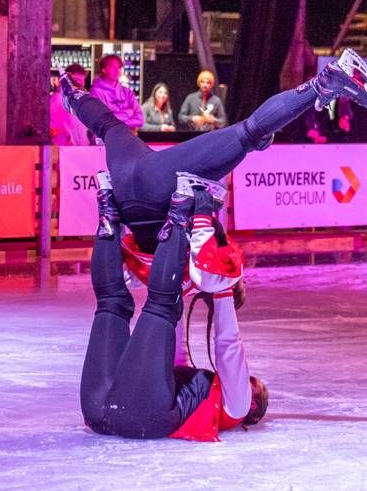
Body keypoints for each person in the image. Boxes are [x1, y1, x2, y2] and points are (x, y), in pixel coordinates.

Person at [61, 47, 367, 252]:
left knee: (249, 133)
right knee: (108, 125)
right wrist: (70, 90)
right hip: (129, 171)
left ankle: (326, 81)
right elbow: (99, 118)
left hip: (152, 189)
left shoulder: (147, 256)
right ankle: (70, 94)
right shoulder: (123, 225)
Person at [80, 173, 267, 440]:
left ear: (253, 405)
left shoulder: (237, 407)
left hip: (144, 415)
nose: (247, 376)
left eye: (251, 381)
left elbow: (228, 346)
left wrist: (224, 290)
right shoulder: (192, 391)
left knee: (160, 305)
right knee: (112, 302)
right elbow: (173, 352)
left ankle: (181, 209)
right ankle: (107, 207)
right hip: (100, 413)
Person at [89, 54, 143, 132]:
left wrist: (115, 117)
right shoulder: (96, 91)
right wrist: (128, 113)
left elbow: (140, 119)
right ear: (104, 70)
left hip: (128, 136)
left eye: (119, 67)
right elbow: (102, 121)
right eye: (113, 67)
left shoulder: (127, 92)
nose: (117, 70)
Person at [50, 63, 90, 146]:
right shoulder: (56, 100)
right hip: (63, 149)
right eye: (76, 80)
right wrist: (64, 138)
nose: (79, 83)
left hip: (81, 149)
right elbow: (52, 127)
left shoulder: (80, 101)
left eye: (82, 80)